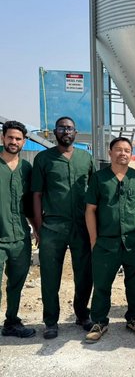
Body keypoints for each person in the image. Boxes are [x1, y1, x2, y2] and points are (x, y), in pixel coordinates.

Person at [32, 116, 95, 339]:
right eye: (61, 128)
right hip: (53, 227)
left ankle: (82, 314)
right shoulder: (43, 159)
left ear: (75, 132)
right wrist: (39, 227)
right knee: (50, 276)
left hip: (82, 226)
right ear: (54, 132)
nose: (66, 131)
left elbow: (94, 192)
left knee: (85, 274)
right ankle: (51, 321)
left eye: (69, 128)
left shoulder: (86, 158)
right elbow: (37, 195)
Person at [84, 137, 135, 343]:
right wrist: (94, 239)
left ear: (131, 154)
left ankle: (134, 319)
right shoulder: (99, 178)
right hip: (106, 243)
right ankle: (99, 322)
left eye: (127, 150)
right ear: (110, 152)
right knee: (102, 284)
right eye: (118, 149)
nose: (123, 153)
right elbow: (90, 210)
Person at [0, 121, 37, 338]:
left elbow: (29, 205)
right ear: (2, 138)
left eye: (18, 139)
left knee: (16, 284)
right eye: (10, 137)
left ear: (24, 141)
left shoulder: (26, 169)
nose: (14, 142)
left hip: (20, 237)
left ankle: (11, 322)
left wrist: (36, 229)